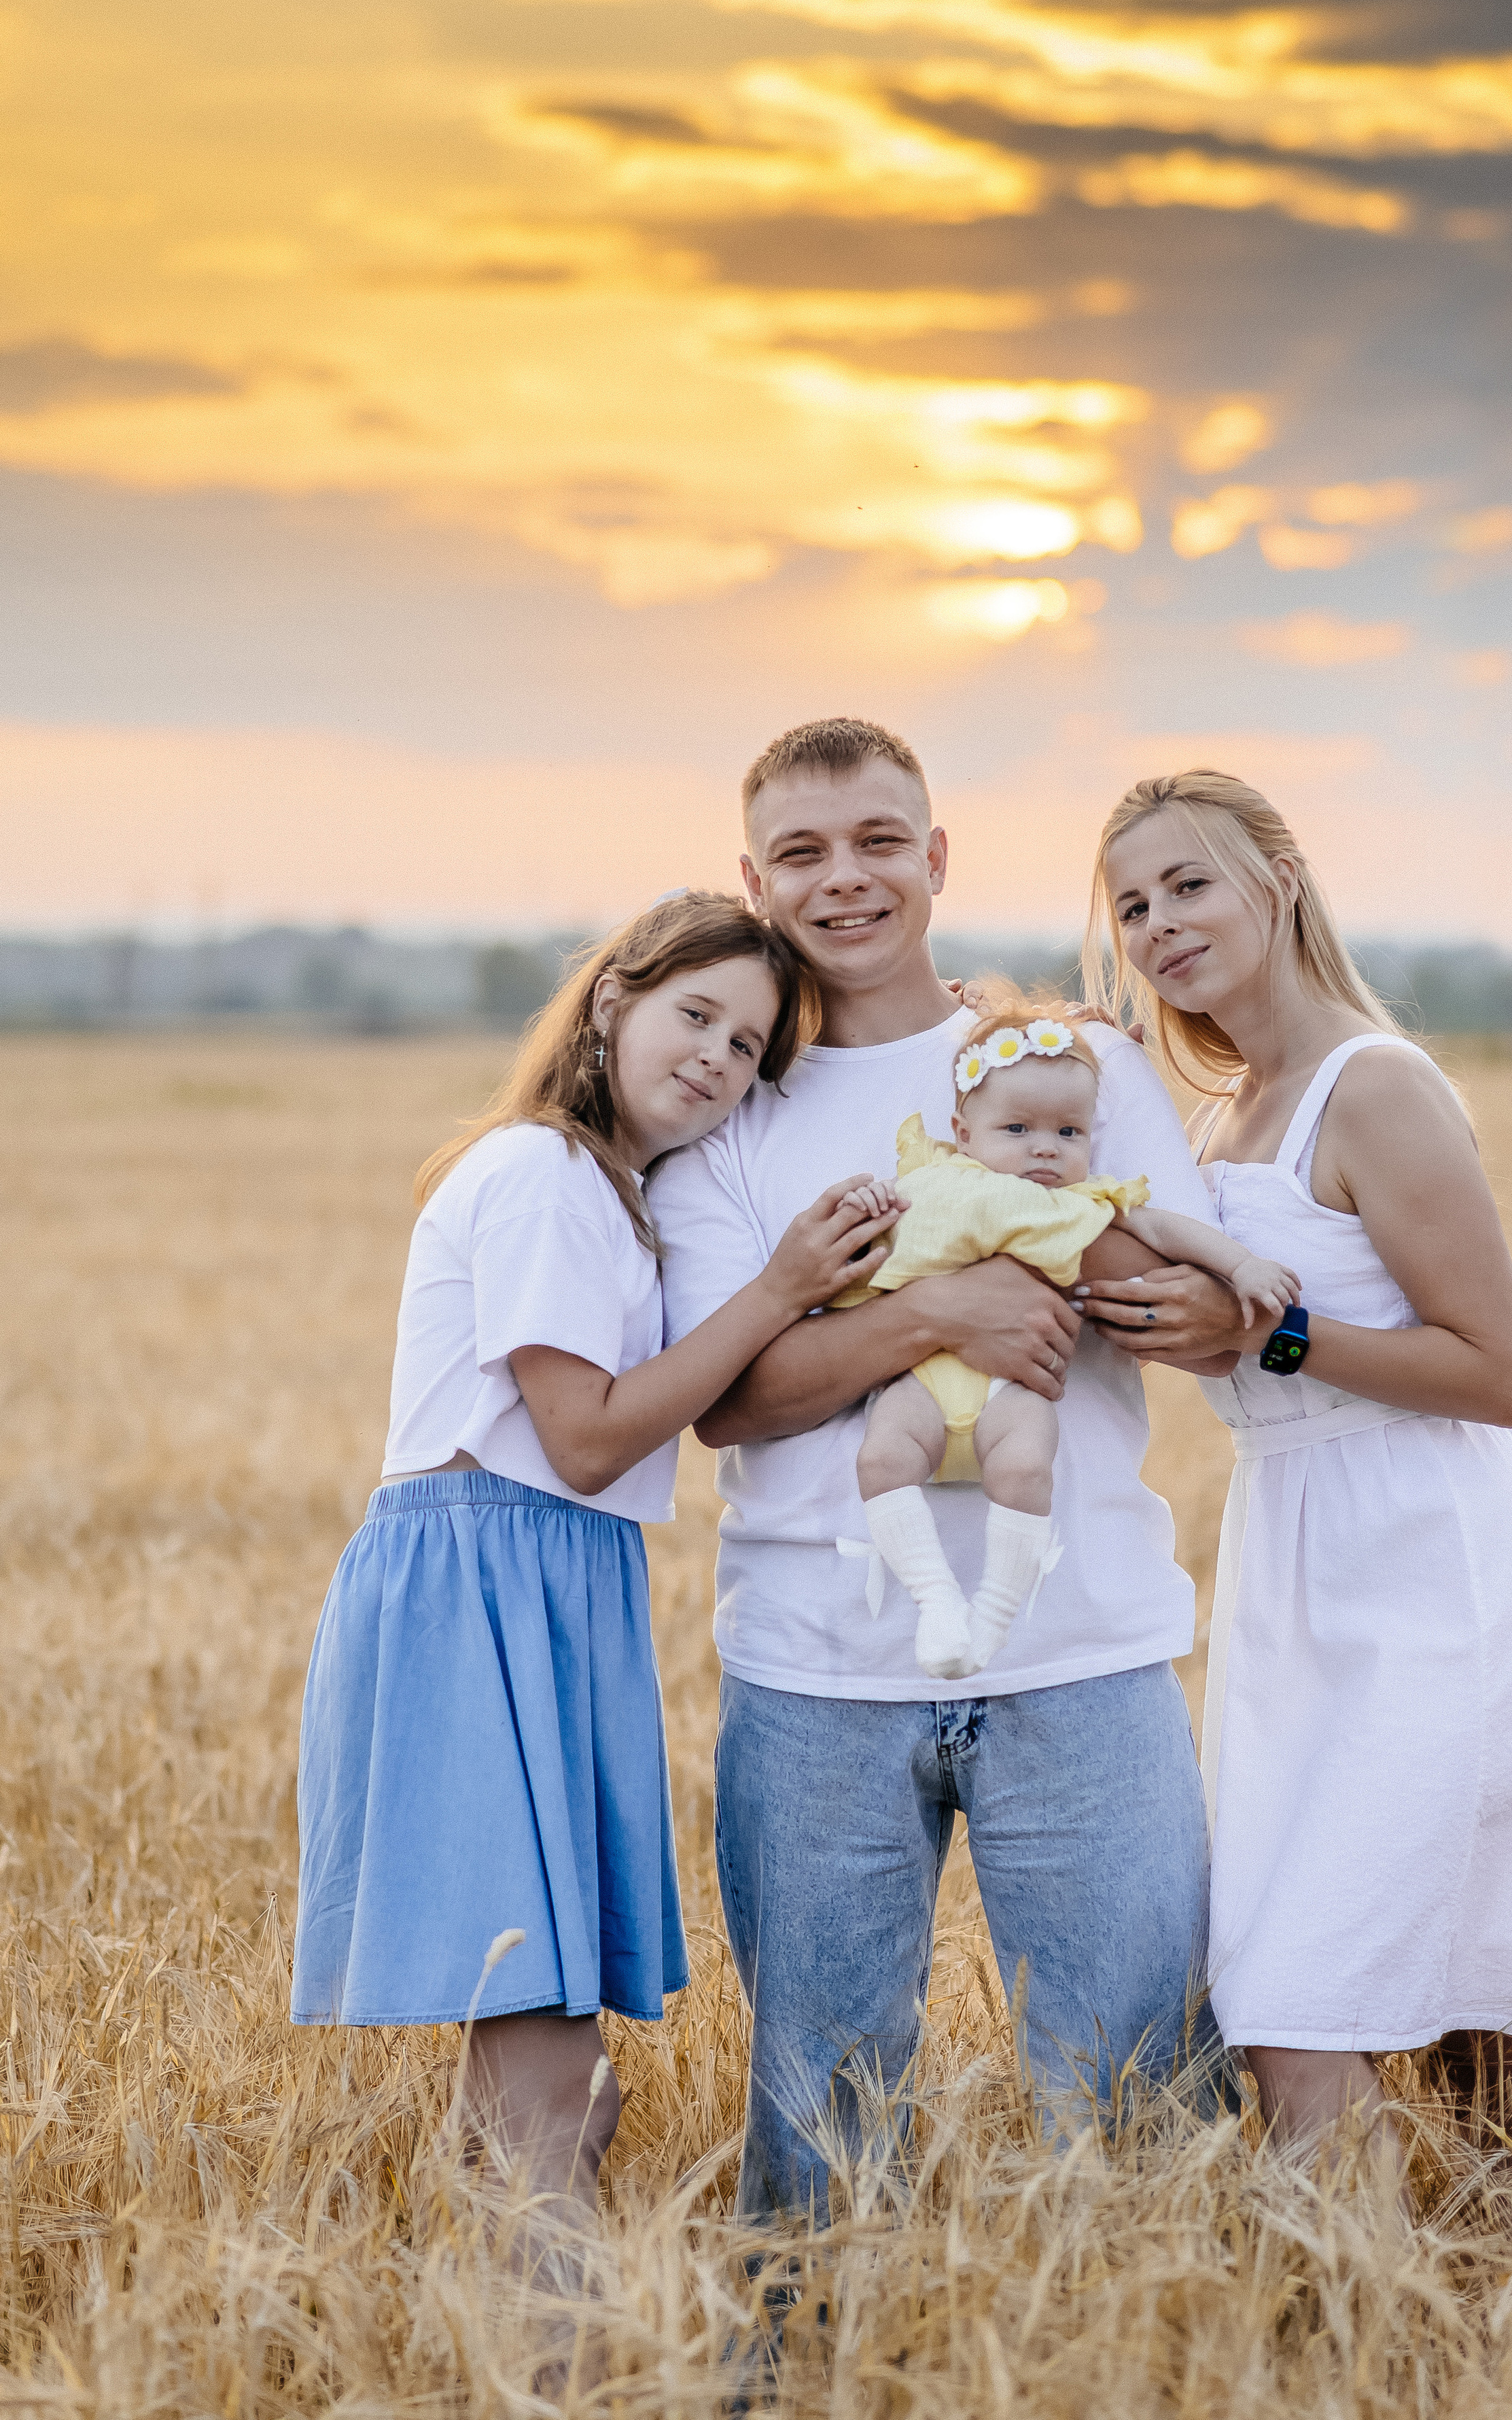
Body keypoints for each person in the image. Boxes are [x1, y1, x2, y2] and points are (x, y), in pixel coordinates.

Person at [648, 718, 1252, 2222]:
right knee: (817, 2139)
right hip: (814, 1673)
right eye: (800, 853)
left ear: (933, 857)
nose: (842, 881)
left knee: (1137, 2115)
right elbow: (731, 1403)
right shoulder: (729, 1103)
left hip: (1083, 1642)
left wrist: (987, 1229)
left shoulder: (1075, 1055)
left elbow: (1182, 1310)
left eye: (873, 843)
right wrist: (932, 1310)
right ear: (753, 879)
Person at [292, 890, 894, 2278]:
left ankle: (483, 2338)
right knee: (551, 2070)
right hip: (486, 1584)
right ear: (613, 998)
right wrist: (782, 1284)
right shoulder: (544, 1178)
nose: (715, 1061)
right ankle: (541, 2367)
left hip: (547, 1587)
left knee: (546, 2068)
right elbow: (583, 1435)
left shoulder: (610, 1197)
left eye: (746, 1047)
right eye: (696, 1015)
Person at [1081, 767, 1512, 2164]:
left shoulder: (1371, 1085)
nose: (1159, 924)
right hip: (1291, 1551)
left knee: (1342, 1990)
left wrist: (1267, 1334)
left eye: (1189, 884)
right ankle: (1430, 2319)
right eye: (1131, 904)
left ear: (1277, 878)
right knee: (1329, 1963)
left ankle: (1437, 2320)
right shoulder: (1222, 1112)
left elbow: (1493, 1372)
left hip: (1432, 1546)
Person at [837, 1005, 1299, 1678]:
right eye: (1017, 1130)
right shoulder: (932, 1178)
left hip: (1017, 1389)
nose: (1045, 1148)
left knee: (1026, 1468)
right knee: (881, 1460)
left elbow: (1168, 1233)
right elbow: (875, 1226)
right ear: (963, 1134)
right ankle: (935, 1599)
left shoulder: (1085, 1203)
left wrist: (1239, 1267)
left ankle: (994, 1611)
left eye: (1069, 1131)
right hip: (922, 1380)